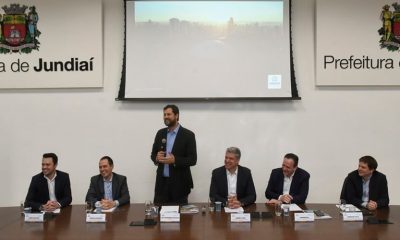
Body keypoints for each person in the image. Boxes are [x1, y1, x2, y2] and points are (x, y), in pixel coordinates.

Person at [151, 104, 197, 205]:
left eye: (169, 114)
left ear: (176, 115)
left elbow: (193, 159)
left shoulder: (188, 135)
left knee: (180, 218)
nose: (166, 116)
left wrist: (175, 160)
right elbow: (153, 154)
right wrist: (156, 158)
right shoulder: (160, 133)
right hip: (162, 185)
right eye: (164, 114)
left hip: (180, 185)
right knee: (159, 216)